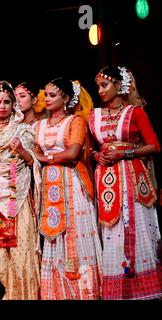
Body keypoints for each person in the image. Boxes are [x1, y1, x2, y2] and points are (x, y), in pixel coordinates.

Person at [89, 65, 162, 300]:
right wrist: (95, 155)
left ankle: (146, 291)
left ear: (119, 86)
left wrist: (125, 154)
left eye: (105, 85)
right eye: (98, 86)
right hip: (107, 181)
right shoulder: (94, 115)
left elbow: (155, 146)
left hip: (132, 178)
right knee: (111, 233)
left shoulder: (135, 112)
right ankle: (117, 292)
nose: (100, 90)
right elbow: (88, 148)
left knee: (137, 231)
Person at [33, 78, 103, 300]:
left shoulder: (75, 122)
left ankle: (82, 292)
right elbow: (34, 155)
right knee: (54, 235)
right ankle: (56, 293)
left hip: (72, 184)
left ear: (66, 99)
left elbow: (73, 153)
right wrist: (41, 159)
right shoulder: (38, 126)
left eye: (53, 95)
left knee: (73, 233)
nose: (47, 98)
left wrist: (47, 157)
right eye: (46, 94)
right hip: (49, 184)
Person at [0, 81, 41, 299]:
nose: (2, 106)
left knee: (20, 250)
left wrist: (20, 149)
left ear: (14, 105)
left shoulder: (24, 130)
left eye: (7, 102)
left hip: (18, 196)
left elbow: (33, 163)